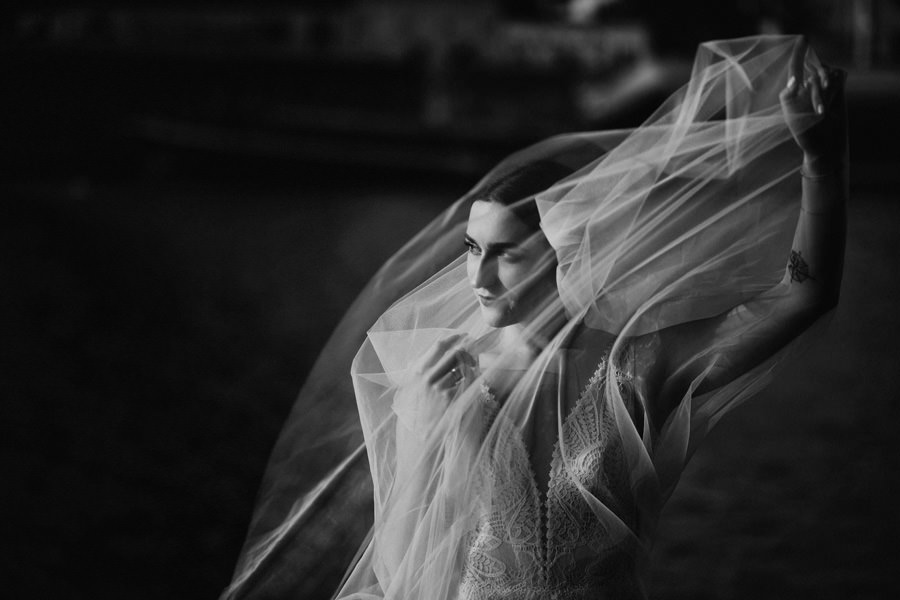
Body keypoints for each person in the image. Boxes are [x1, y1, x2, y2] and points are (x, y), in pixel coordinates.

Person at [221, 35, 847, 600]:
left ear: (564, 254)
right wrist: (428, 420)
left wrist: (819, 164)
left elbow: (802, 296)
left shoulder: (637, 369)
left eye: (507, 253)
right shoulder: (443, 375)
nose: (478, 275)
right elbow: (399, 571)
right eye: (473, 249)